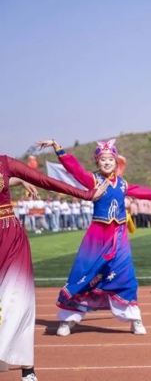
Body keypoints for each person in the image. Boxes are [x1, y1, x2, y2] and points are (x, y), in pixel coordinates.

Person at [36, 139, 151, 336]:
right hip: (97, 237)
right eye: (103, 159)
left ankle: (134, 318)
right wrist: (58, 148)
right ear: (97, 162)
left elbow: (140, 191)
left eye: (110, 159)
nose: (107, 162)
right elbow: (75, 170)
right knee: (83, 274)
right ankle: (68, 319)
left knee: (126, 275)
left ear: (116, 162)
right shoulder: (93, 180)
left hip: (119, 237)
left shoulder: (122, 184)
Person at [0, 155, 107, 381]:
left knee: (17, 300)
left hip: (9, 238)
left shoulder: (4, 163)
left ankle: (27, 368)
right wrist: (18, 181)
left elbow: (45, 180)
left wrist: (86, 194)